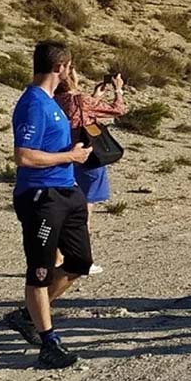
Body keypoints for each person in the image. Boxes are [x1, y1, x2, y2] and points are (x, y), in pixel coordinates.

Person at [2, 41, 93, 368]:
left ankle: (27, 315)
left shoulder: (52, 102)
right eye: (69, 67)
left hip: (67, 193)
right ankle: (48, 342)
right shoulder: (32, 104)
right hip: (41, 197)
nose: (70, 73)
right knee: (39, 271)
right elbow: (23, 156)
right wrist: (70, 155)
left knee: (80, 261)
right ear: (60, 67)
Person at [55, 65, 127, 275]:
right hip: (87, 158)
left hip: (64, 157)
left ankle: (57, 256)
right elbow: (118, 110)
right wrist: (118, 90)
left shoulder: (54, 101)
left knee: (62, 209)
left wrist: (95, 95)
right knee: (85, 210)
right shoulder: (81, 100)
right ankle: (81, 257)